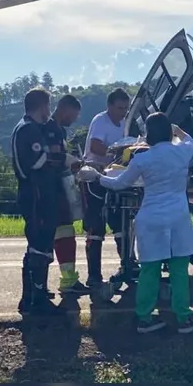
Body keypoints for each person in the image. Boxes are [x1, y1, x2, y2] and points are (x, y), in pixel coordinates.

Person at [98, 113, 193, 334]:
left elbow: (119, 183)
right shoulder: (182, 152)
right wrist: (178, 131)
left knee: (149, 270)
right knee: (179, 270)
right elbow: (190, 140)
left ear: (148, 134)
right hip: (178, 217)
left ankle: (144, 318)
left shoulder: (142, 159)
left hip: (151, 217)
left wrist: (96, 177)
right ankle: (183, 318)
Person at [11, 87, 79, 316]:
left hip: (43, 195)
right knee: (38, 246)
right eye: (48, 106)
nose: (49, 111)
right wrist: (65, 159)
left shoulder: (35, 128)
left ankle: (33, 295)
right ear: (41, 106)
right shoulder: (28, 130)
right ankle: (34, 299)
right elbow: (38, 161)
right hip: (35, 196)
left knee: (42, 246)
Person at [82, 87, 131, 289]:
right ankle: (94, 275)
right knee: (95, 226)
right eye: (120, 108)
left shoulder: (125, 123)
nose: (123, 112)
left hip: (114, 176)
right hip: (95, 177)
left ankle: (126, 267)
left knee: (120, 224)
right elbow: (95, 146)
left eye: (125, 109)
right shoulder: (101, 121)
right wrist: (116, 153)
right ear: (110, 106)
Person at [44, 94, 90, 296]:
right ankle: (68, 281)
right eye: (74, 114)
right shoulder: (53, 129)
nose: (75, 119)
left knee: (64, 233)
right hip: (55, 189)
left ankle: (68, 279)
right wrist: (72, 162)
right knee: (63, 233)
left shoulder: (56, 129)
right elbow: (55, 158)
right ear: (64, 109)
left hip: (55, 188)